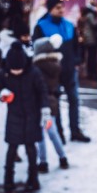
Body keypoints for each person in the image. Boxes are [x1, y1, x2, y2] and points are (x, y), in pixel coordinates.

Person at [32, 0, 90, 143]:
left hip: (70, 70)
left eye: (62, 7)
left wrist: (78, 60)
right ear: (50, 9)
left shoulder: (69, 25)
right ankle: (59, 133)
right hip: (52, 72)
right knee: (55, 102)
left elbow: (77, 46)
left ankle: (75, 131)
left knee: (74, 100)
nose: (61, 10)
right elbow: (37, 50)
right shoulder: (41, 26)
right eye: (57, 7)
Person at [0, 42, 50, 193]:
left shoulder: (34, 72)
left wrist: (45, 110)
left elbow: (42, 92)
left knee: (31, 149)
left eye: (19, 69)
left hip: (32, 116)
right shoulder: (4, 73)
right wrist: (2, 95)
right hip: (14, 117)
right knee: (12, 149)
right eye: (14, 69)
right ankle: (8, 181)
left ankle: (33, 180)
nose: (17, 72)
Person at [33, 35, 69, 173]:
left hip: (41, 103)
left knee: (41, 134)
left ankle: (43, 162)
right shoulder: (55, 64)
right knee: (53, 132)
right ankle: (63, 157)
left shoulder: (37, 67)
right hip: (53, 102)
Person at [77, 5, 97, 80]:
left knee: (88, 56)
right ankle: (92, 72)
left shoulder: (83, 17)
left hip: (86, 37)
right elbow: (94, 24)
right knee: (92, 56)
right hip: (91, 38)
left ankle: (89, 72)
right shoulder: (90, 15)